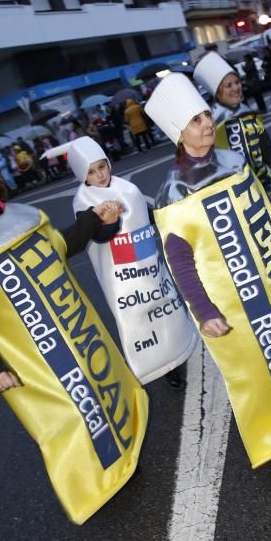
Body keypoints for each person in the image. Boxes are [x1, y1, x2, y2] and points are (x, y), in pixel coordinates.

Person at [0, 126, 148, 525]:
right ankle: (93, 486)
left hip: (74, 331)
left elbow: (63, 246)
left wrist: (97, 220)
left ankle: (122, 463)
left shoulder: (24, 215)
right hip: (36, 355)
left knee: (100, 391)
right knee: (71, 416)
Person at [144, 73, 271, 468]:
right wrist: (205, 310)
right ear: (179, 133)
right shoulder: (172, 192)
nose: (208, 122)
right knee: (258, 364)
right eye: (195, 120)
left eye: (206, 114)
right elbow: (179, 262)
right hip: (232, 299)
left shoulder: (233, 162)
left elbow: (269, 211)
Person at [67, 136, 197, 389]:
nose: (100, 175)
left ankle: (174, 360)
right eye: (91, 172)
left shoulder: (126, 188)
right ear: (83, 175)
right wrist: (112, 221)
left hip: (148, 264)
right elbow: (100, 235)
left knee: (164, 309)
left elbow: (145, 214)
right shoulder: (83, 201)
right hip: (122, 278)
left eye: (102, 166)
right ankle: (156, 364)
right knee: (138, 319)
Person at [194, 51, 271, 208]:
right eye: (228, 85)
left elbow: (267, 149)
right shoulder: (209, 125)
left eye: (237, 82)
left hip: (264, 186)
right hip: (236, 197)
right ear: (217, 93)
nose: (235, 88)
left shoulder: (249, 114)